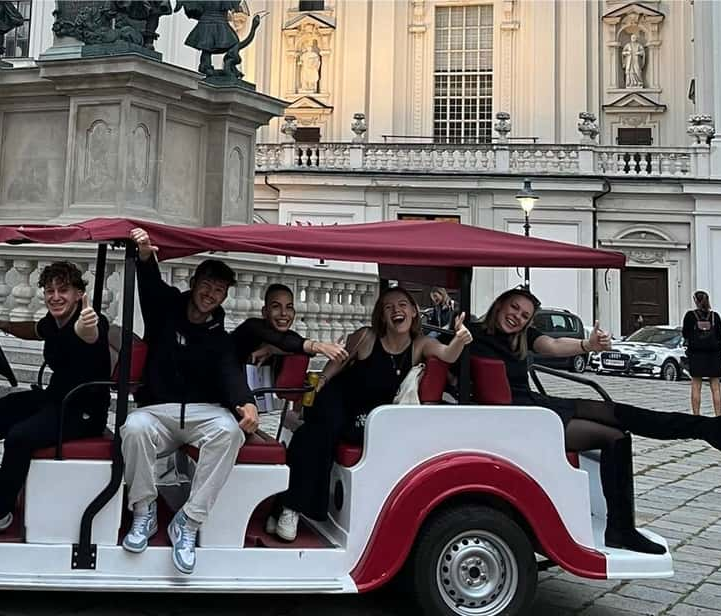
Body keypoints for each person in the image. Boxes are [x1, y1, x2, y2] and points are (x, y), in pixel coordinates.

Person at [467, 287, 721, 555]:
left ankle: (709, 429)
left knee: (620, 413)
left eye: (525, 315)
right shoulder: (472, 334)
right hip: (523, 423)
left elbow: (553, 345)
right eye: (514, 308)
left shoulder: (521, 336)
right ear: (500, 304)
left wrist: (588, 345)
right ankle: (621, 529)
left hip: (537, 407)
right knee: (615, 436)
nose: (517, 317)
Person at [270, 287, 472, 541]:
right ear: (382, 315)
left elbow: (446, 354)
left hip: (374, 414)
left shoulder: (421, 344)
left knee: (338, 433)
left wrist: (459, 339)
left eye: (402, 305)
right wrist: (321, 381)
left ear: (412, 311)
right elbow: (340, 360)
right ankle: (291, 508)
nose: (396, 310)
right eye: (389, 307)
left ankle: (286, 505)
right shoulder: (367, 337)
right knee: (319, 432)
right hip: (339, 398)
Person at [119, 227, 257, 575]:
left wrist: (246, 402)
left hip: (201, 414)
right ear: (195, 283)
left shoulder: (221, 338)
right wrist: (147, 254)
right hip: (159, 411)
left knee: (230, 432)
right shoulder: (165, 309)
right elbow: (149, 285)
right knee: (132, 428)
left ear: (224, 297)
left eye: (219, 290)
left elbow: (231, 374)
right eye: (208, 285)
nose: (211, 294)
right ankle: (144, 511)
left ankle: (189, 521)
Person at [0, 261, 111, 536]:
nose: (55, 296)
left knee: (20, 436)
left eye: (63, 290)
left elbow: (90, 335)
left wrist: (86, 329)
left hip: (83, 411)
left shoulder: (89, 320)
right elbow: (35, 329)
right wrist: (1, 324)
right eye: (50, 290)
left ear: (79, 294)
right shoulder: (55, 320)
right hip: (55, 398)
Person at [232, 283, 347, 413]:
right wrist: (319, 346)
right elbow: (285, 341)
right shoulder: (252, 327)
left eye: (289, 307)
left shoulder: (288, 337)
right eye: (276, 307)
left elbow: (296, 346)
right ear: (265, 312)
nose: (284, 313)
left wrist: (273, 349)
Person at [683, 291, 721, 416]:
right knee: (716, 388)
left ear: (695, 301)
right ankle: (718, 416)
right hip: (714, 354)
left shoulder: (690, 316)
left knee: (696, 386)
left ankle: (696, 416)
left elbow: (685, 333)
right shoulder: (715, 316)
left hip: (696, 354)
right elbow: (720, 334)